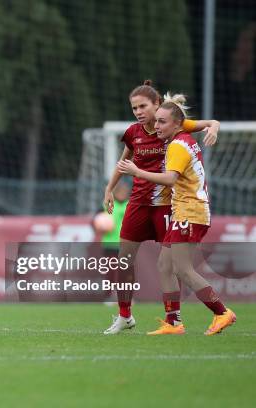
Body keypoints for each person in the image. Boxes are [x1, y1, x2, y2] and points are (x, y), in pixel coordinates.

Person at [102, 80, 220, 335]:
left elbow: (209, 123)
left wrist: (215, 128)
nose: (138, 112)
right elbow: (124, 162)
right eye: (134, 108)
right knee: (125, 261)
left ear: (157, 105)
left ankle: (173, 319)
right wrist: (109, 189)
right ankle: (125, 316)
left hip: (167, 206)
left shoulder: (172, 126)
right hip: (138, 204)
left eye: (143, 106)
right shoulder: (133, 132)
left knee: (169, 265)